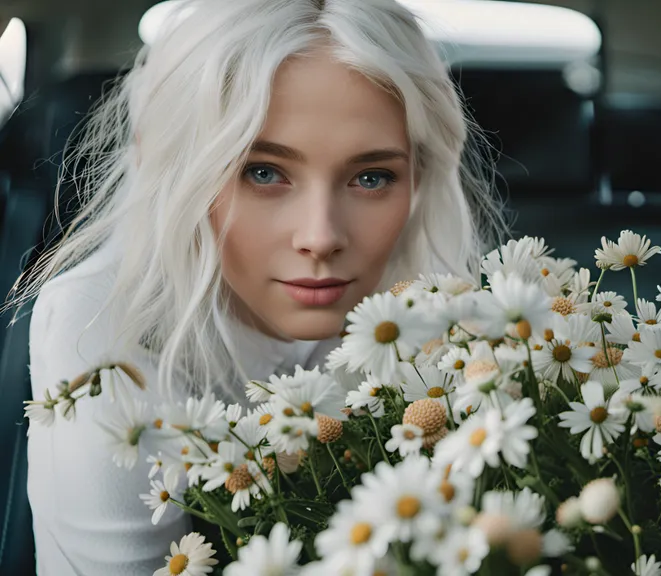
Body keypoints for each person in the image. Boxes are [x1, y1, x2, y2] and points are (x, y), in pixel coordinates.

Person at [14, 0, 506, 573]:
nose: (321, 238)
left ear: (418, 179)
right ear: (175, 171)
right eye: (263, 172)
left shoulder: (455, 324)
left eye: (372, 178)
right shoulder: (100, 325)